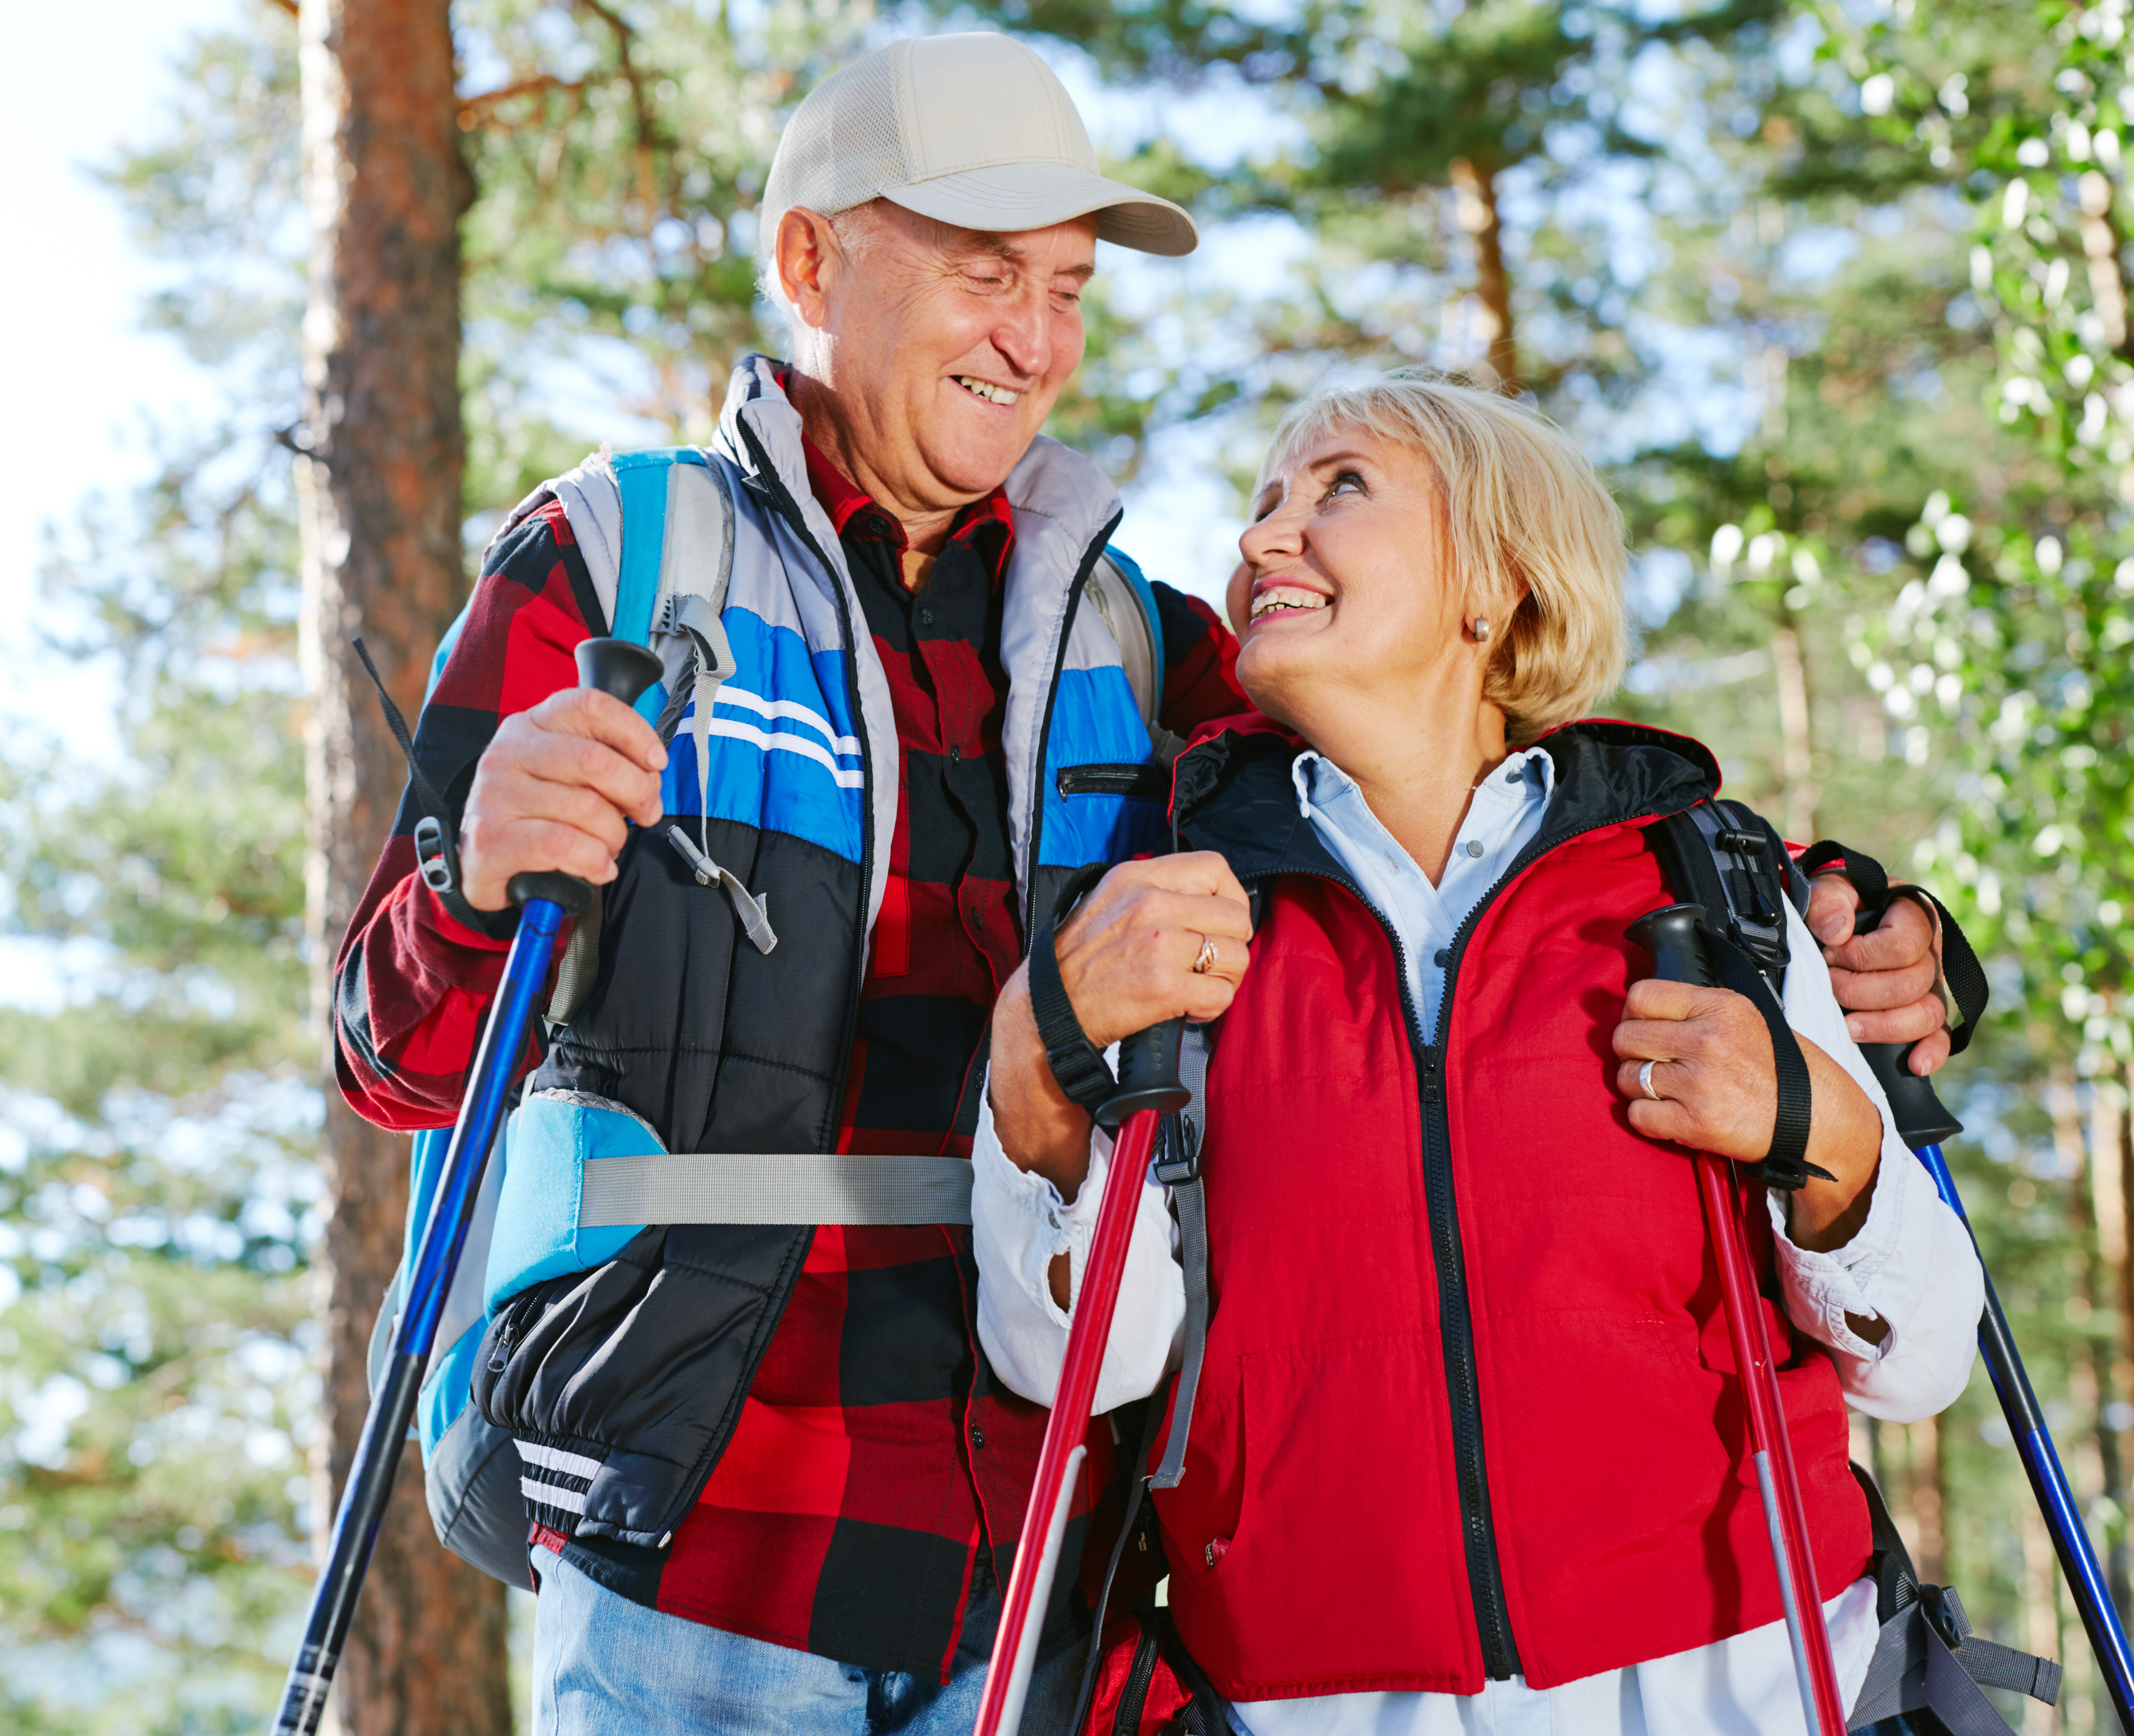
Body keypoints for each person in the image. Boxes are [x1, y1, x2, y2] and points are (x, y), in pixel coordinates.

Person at [331, 32, 1955, 1733]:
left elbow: (1456, 782)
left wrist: (1810, 900)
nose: (1034, 342)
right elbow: (393, 1060)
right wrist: (472, 874)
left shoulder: (1136, 644)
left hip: (1063, 1585)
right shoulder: (614, 562)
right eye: (984, 275)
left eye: (1067, 288)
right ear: (813, 258)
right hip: (713, 1571)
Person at [974, 372, 1984, 1734]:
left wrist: (1822, 1129)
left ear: (1495, 587)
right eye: (1264, 502)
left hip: (1751, 1680)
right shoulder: (1177, 913)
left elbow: (1919, 1363)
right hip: (1314, 1699)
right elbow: (1078, 1368)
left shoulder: (1703, 879)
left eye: (1339, 489)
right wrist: (1034, 1064)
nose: (1265, 538)